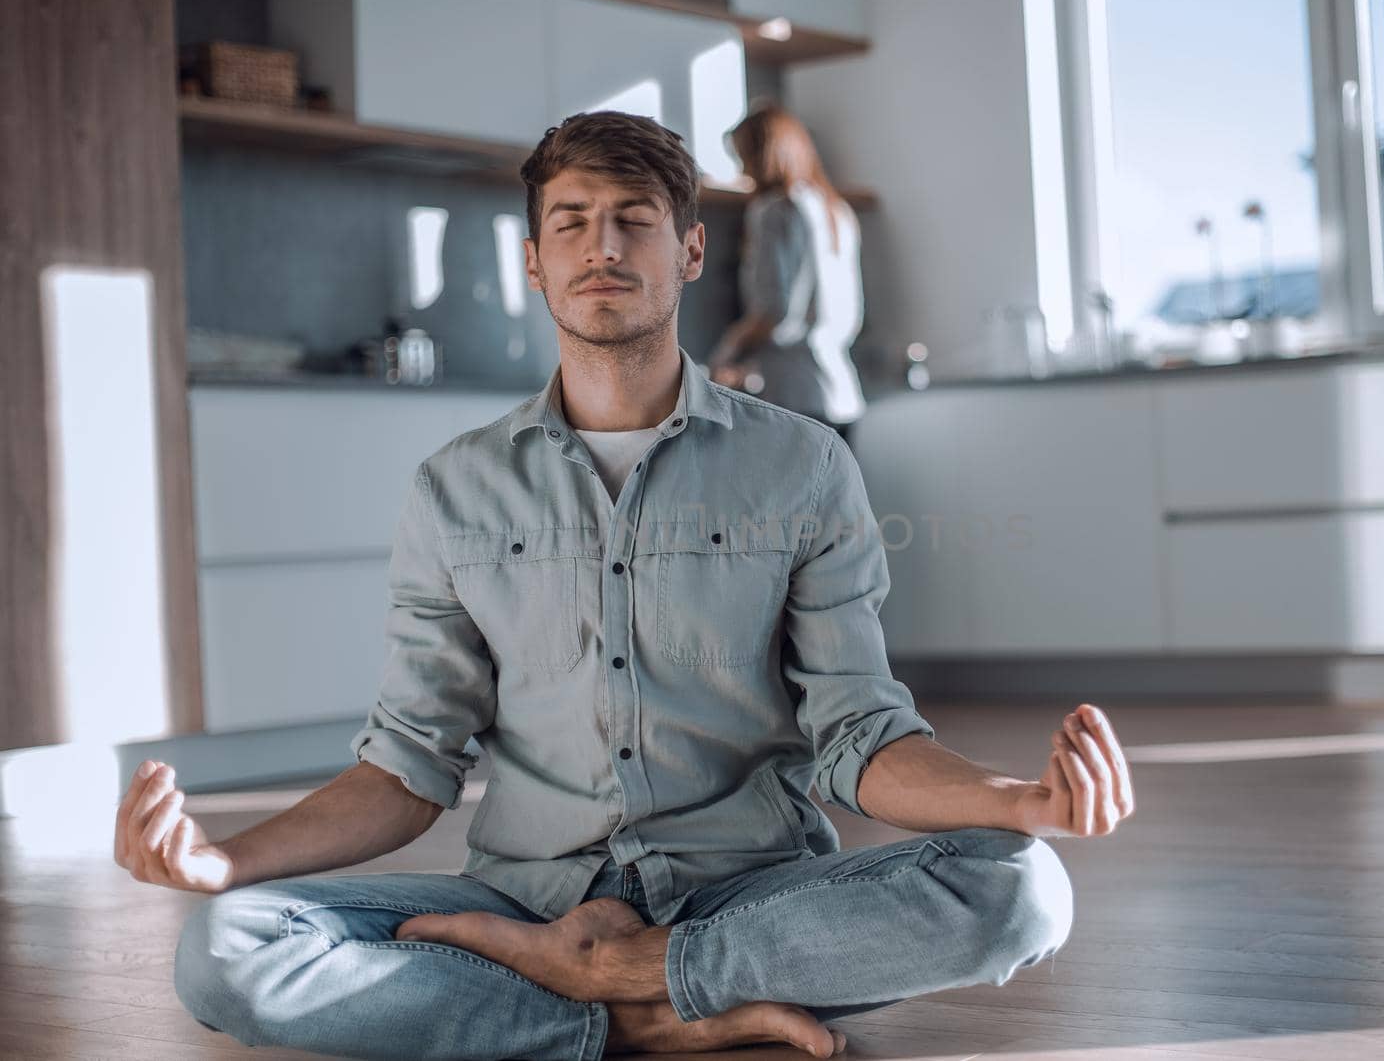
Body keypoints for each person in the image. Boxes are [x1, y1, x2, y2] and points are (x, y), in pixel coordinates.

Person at [114, 111, 1136, 1061]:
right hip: (525, 896)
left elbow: (857, 733)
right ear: (534, 261)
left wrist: (1022, 799)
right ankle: (648, 1019)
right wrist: (223, 864)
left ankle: (605, 986)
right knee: (227, 945)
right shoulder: (454, 487)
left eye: (633, 222)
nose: (602, 248)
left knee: (1019, 887)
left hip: (748, 897)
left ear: (689, 251)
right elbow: (408, 763)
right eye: (572, 223)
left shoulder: (804, 465)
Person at [708, 103, 867, 447]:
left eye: (744, 156)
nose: (742, 169)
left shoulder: (774, 211)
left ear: (763, 155)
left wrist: (724, 354)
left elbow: (773, 310)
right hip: (840, 393)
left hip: (792, 398)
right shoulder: (835, 210)